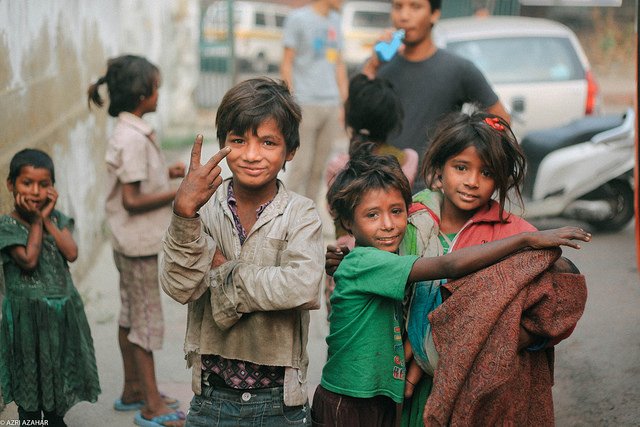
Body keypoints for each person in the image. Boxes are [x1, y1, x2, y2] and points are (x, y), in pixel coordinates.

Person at [313, 148, 590, 426]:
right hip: (349, 399)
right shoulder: (368, 260)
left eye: (396, 211)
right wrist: (525, 240)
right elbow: (448, 266)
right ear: (348, 222)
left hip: (378, 393)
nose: (388, 225)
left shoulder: (372, 258)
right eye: (372, 215)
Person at [160, 77, 325, 426]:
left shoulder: (301, 213)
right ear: (222, 144)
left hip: (279, 399)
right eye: (238, 141)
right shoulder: (203, 210)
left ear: (289, 151)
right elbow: (180, 286)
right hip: (211, 395)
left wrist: (220, 268)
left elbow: (302, 286)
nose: (251, 155)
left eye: (268, 142)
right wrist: (183, 214)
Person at [87, 55, 186, 427]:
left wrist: (165, 173)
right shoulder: (133, 139)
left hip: (126, 242)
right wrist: (177, 191)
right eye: (157, 87)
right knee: (145, 321)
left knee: (130, 314)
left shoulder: (130, 132)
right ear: (143, 93)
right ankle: (152, 405)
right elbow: (132, 199)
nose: (160, 93)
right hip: (139, 245)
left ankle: (133, 390)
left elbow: (139, 181)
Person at [362, 0, 510, 190]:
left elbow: (501, 121)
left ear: (434, 14)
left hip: (431, 193)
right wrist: (374, 64)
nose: (404, 16)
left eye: (415, 7)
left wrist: (463, 162)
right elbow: (354, 118)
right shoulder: (380, 67)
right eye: (398, 7)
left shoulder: (459, 69)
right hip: (381, 187)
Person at [0, 149, 101, 427]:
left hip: (60, 318)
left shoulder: (55, 218)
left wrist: (45, 219)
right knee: (30, 390)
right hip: (26, 324)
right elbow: (29, 261)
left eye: (43, 185)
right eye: (27, 183)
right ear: (11, 185)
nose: (35, 191)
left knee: (57, 382)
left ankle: (55, 420)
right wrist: (35, 221)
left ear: (52, 189)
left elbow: (71, 252)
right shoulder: (7, 226)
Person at [322, 73, 417, 316]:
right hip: (394, 259)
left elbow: (333, 210)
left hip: (344, 261)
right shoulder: (407, 160)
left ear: (351, 119)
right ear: (393, 121)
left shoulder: (339, 167)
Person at [280, 0, 349, 205]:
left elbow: (338, 63)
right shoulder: (298, 19)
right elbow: (286, 63)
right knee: (300, 166)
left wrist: (343, 103)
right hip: (305, 103)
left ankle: (307, 218)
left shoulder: (336, 20)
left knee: (319, 168)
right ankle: (283, 215)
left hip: (330, 104)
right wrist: (291, 101)